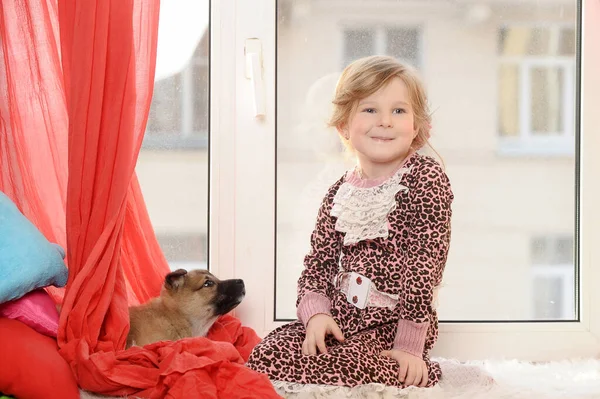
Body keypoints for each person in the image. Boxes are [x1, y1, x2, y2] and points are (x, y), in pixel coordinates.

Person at [246, 55, 454, 389]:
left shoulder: (425, 178)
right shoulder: (338, 192)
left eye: (398, 111)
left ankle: (428, 372)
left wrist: (410, 346)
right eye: (370, 109)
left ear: (416, 126)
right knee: (266, 354)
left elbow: (425, 264)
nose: (385, 121)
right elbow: (318, 263)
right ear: (344, 125)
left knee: (350, 368)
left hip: (390, 325)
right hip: (341, 318)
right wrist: (316, 315)